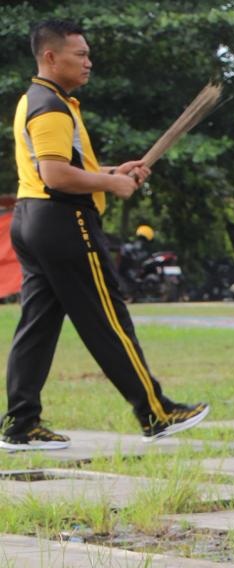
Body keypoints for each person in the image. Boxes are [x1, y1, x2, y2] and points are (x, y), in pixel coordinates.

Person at [2, 20, 209, 451]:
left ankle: (21, 425)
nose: (88, 62)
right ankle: (155, 411)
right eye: (80, 54)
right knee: (109, 322)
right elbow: (56, 175)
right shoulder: (51, 107)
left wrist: (113, 172)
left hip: (32, 219)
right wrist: (111, 185)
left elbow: (60, 167)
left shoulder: (36, 100)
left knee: (36, 327)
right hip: (63, 223)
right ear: (50, 57)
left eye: (88, 54)